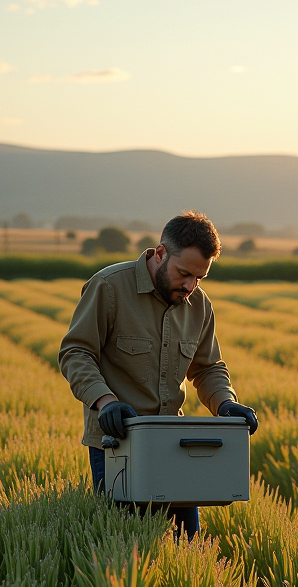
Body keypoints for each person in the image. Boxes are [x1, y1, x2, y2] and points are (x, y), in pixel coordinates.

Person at [58, 210, 258, 538]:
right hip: (118, 444)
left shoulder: (200, 305)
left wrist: (225, 404)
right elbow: (76, 353)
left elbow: (207, 368)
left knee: (185, 545)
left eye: (200, 278)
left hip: (173, 445)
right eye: (184, 274)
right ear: (161, 253)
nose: (190, 285)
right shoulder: (109, 287)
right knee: (123, 544)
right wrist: (106, 402)